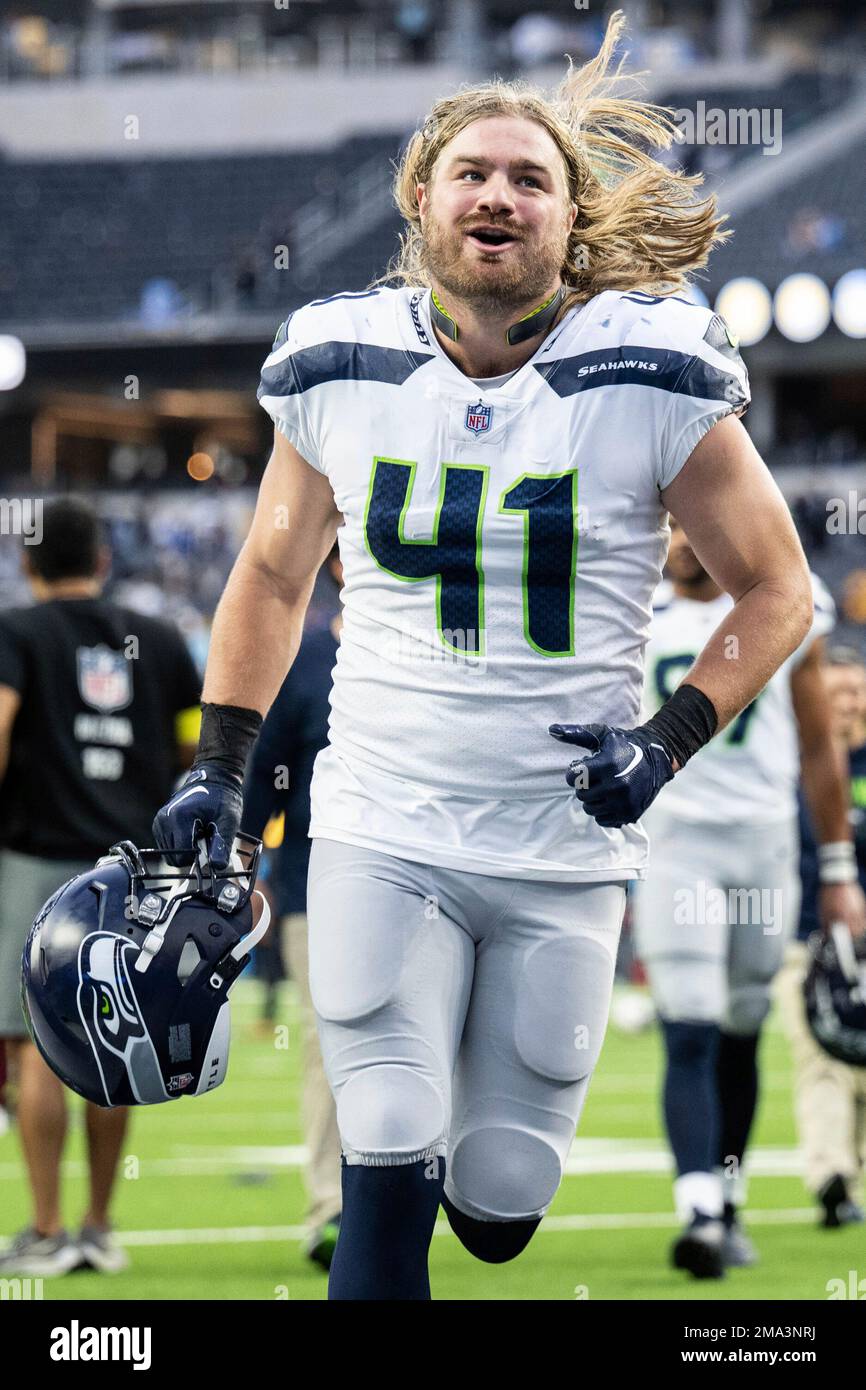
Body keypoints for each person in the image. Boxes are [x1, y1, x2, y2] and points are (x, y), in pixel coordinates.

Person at [151, 13, 815, 1301]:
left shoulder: (653, 366)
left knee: (501, 1208)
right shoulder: (337, 355)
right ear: (420, 196)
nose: (498, 196)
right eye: (473, 171)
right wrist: (219, 767)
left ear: (568, 221)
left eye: (530, 178)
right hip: (379, 824)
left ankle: (478, 1152)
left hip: (562, 850)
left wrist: (665, 738)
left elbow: (777, 587)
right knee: (384, 1183)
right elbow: (273, 576)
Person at [634, 522, 866, 1278]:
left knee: (742, 1024)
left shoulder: (782, 605)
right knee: (691, 1025)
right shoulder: (628, 607)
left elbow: (815, 745)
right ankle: (699, 1206)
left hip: (763, 845)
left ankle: (727, 1198)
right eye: (672, 525)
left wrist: (836, 868)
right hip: (675, 844)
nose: (684, 540)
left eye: (697, 523)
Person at [0, 497, 202, 1277]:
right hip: (129, 873)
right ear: (104, 560)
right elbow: (194, 752)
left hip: (34, 857)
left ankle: (47, 1229)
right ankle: (97, 1226)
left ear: (28, 564)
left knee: (35, 1050)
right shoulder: (154, 639)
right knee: (114, 1044)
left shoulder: (16, 633)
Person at [242, 545, 343, 1270]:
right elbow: (264, 777)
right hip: (321, 883)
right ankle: (334, 1206)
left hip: (440, 879)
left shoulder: (445, 660)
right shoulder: (306, 664)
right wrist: (242, 862)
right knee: (330, 1042)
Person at [775, 646, 866, 1228]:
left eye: (856, 693)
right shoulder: (789, 772)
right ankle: (831, 1176)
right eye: (835, 694)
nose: (848, 705)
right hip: (806, 941)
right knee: (823, 1058)